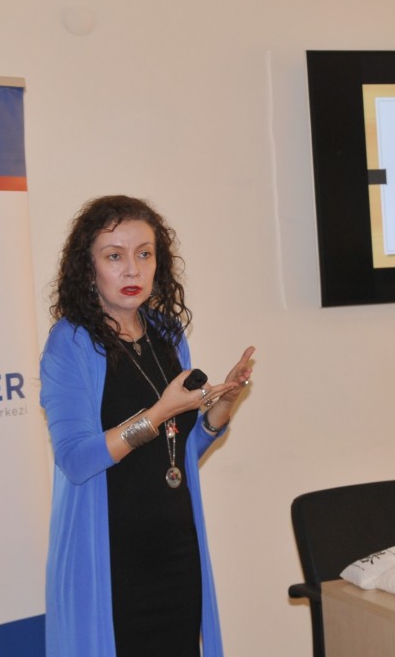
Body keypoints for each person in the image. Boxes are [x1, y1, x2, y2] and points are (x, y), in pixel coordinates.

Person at [39, 195, 255, 657]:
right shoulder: (70, 343)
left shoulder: (167, 335)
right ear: (88, 267)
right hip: (112, 560)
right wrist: (158, 413)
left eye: (144, 254)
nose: (132, 270)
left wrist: (222, 406)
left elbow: (177, 454)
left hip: (175, 553)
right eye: (114, 256)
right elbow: (76, 460)